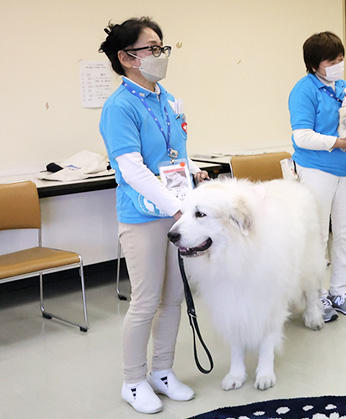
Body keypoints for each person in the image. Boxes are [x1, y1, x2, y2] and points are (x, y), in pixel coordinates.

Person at [99, 17, 205, 414]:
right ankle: (133, 379)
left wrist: (192, 171)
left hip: (178, 212)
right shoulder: (119, 106)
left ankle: (162, 370)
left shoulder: (167, 98)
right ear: (127, 58)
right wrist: (177, 206)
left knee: (173, 297)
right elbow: (132, 169)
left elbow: (177, 152)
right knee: (145, 301)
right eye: (152, 48)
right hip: (143, 217)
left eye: (163, 47)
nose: (160, 55)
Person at [288, 32, 346, 320]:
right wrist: (337, 142)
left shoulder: (344, 88)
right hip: (316, 168)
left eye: (341, 59)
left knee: (345, 233)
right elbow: (302, 135)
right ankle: (315, 295)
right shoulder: (303, 90)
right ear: (315, 63)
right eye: (332, 60)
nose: (338, 64)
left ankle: (339, 290)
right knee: (318, 235)